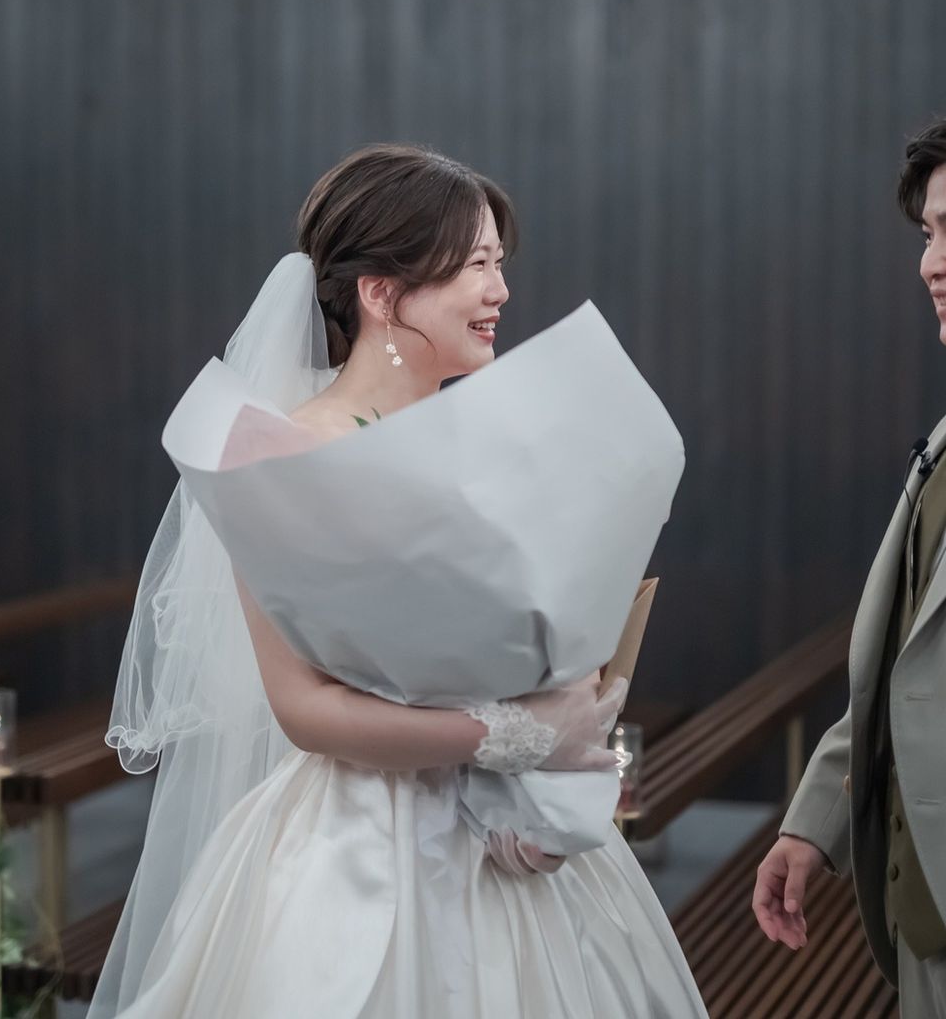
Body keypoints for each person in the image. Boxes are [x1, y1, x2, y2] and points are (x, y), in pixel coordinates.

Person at [92, 144, 707, 1017]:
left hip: (512, 836)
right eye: (475, 266)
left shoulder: (491, 444)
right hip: (360, 847)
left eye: (500, 264)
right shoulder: (283, 460)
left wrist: (554, 748)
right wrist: (505, 737)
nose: (500, 291)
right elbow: (303, 710)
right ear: (382, 294)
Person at [753, 120, 946, 1016]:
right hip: (921, 920)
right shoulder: (942, 441)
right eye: (929, 235)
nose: (931, 265)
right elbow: (911, 670)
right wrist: (816, 823)